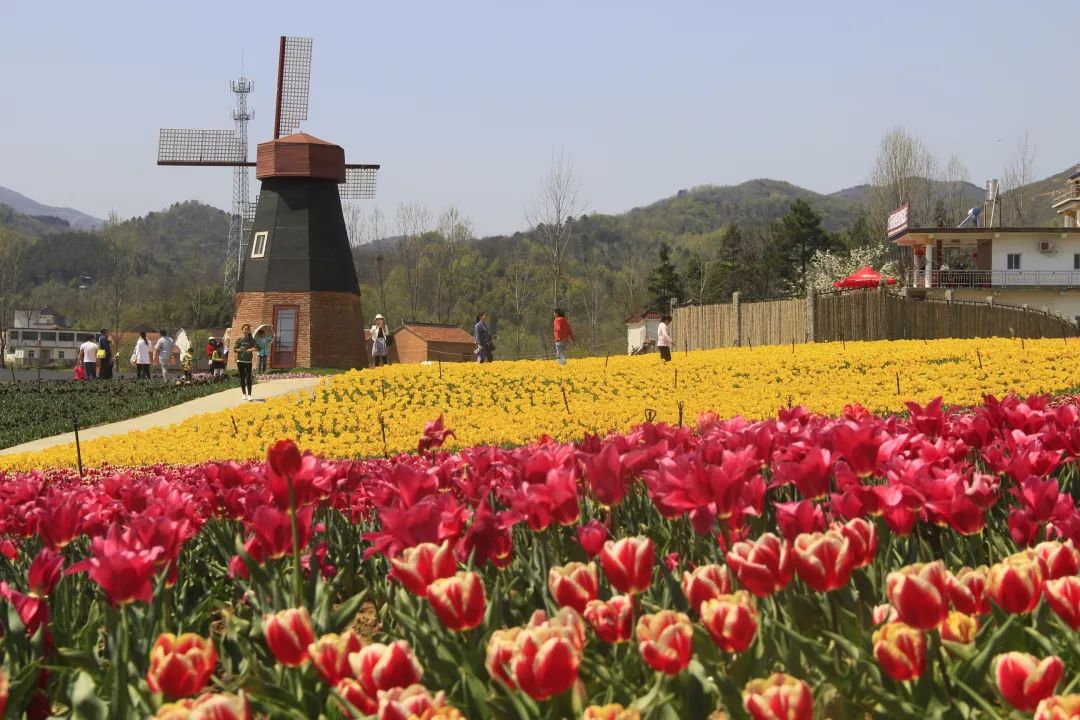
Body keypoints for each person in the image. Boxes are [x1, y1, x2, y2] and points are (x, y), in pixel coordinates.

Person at [234, 324, 257, 400]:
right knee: (242, 377)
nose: (246, 330)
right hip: (240, 360)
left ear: (249, 331)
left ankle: (250, 395)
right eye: (245, 329)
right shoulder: (239, 339)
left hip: (248, 361)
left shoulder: (251, 340)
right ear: (242, 330)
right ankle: (243, 394)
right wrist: (239, 350)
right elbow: (234, 349)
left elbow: (257, 348)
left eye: (248, 329)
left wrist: (252, 349)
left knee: (248, 377)